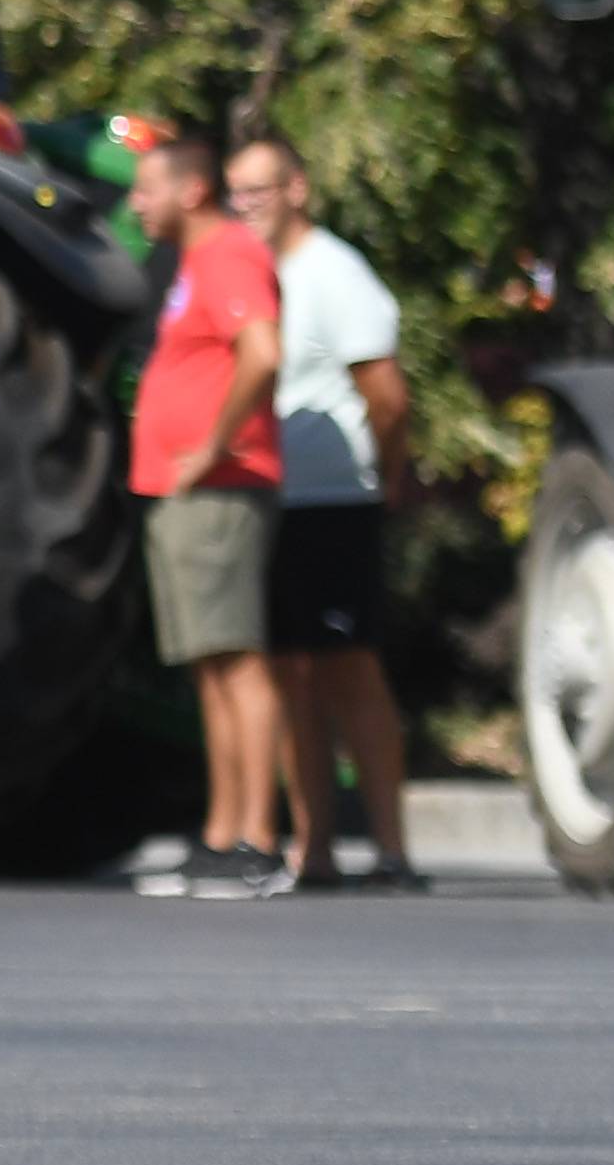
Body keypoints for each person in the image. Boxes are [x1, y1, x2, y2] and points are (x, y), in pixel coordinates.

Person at [232, 136, 422, 894]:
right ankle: (311, 851)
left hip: (336, 499)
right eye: (237, 193)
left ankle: (392, 851)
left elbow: (387, 396)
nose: (247, 206)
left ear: (297, 190)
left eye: (260, 190)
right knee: (288, 674)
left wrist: (386, 475)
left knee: (349, 668)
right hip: (272, 500)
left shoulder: (335, 272)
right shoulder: (250, 271)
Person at [124, 127, 294, 897]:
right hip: (184, 491)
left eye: (147, 188)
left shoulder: (228, 253)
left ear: (191, 190)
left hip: (221, 487)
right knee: (210, 666)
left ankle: (259, 841)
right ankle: (222, 836)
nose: (137, 203)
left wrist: (213, 445)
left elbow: (262, 351)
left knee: (237, 659)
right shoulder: (193, 263)